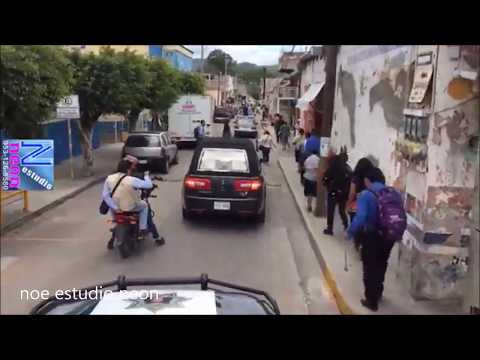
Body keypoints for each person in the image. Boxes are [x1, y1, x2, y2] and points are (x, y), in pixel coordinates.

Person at [346, 167, 391, 312]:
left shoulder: (366, 194)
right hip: (388, 236)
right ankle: (378, 293)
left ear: (367, 180)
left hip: (372, 236)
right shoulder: (391, 192)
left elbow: (361, 217)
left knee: (369, 267)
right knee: (381, 264)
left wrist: (351, 232)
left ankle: (371, 301)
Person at [103, 158, 164, 248]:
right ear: (128, 169)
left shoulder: (109, 178)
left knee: (111, 206)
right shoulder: (131, 179)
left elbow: (105, 196)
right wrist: (147, 175)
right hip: (129, 207)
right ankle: (143, 229)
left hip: (116, 209)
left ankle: (114, 228)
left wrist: (115, 207)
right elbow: (149, 185)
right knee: (145, 206)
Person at [346, 157, 379, 252]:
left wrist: (348, 203)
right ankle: (364, 245)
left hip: (356, 204)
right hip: (370, 204)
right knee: (366, 225)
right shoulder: (372, 177)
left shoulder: (355, 177)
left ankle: (358, 244)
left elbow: (352, 192)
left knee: (356, 223)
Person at [322, 152, 351, 235]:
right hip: (343, 193)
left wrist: (327, 186)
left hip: (333, 191)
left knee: (330, 210)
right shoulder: (348, 169)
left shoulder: (333, 167)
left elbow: (325, 178)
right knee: (341, 210)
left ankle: (330, 228)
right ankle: (345, 224)